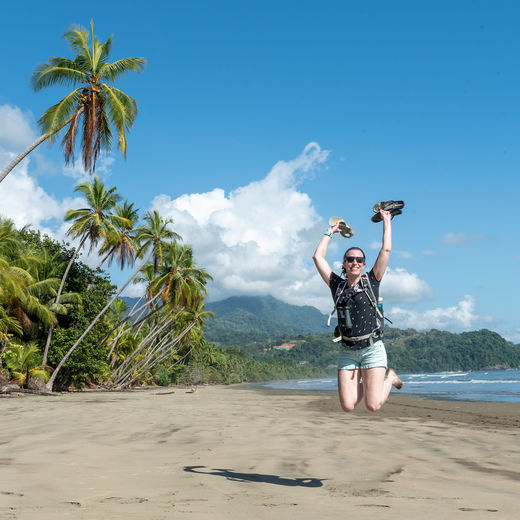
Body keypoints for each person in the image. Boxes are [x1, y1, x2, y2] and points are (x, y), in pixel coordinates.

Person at [312, 209, 402, 412]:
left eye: (359, 260)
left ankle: (389, 379)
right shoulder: (337, 285)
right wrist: (329, 232)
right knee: (348, 406)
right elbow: (318, 257)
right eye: (350, 259)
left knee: (372, 405)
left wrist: (387, 221)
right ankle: (371, 383)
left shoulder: (372, 280)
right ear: (344, 264)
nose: (355, 262)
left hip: (372, 349)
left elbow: (385, 251)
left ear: (364, 264)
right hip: (348, 352)